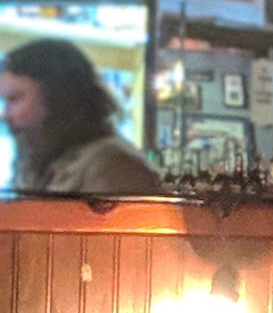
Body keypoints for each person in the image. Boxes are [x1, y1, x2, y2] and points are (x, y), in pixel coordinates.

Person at [1, 37, 165, 196]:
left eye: (14, 99)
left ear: (58, 97)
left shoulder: (112, 168)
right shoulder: (43, 164)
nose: (6, 115)